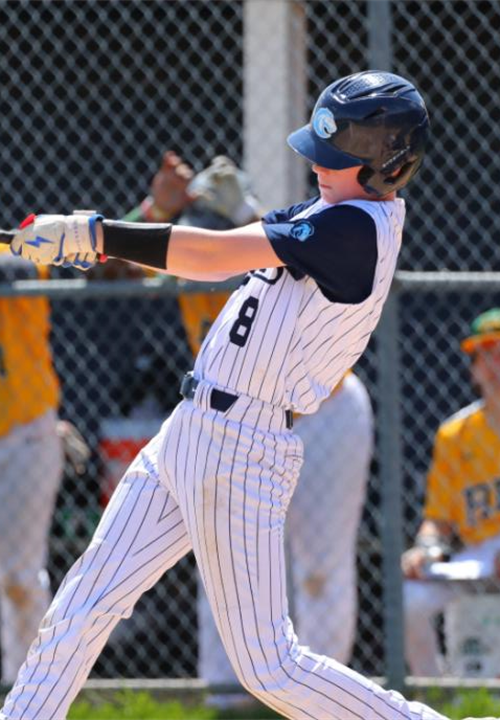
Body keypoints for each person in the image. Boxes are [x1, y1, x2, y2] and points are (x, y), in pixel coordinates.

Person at [2, 70, 445, 720]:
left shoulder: (359, 230)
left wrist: (97, 236)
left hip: (244, 446)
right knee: (83, 603)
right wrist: (100, 237)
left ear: (389, 166)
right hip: (189, 428)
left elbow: (211, 256)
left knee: (270, 667)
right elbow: (236, 238)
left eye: (337, 156)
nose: (318, 165)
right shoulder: (324, 212)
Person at [127, 151, 374, 699]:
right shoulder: (191, 251)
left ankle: (321, 704)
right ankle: (227, 699)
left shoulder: (277, 242)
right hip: (232, 422)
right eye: (202, 229)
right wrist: (157, 210)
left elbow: (299, 250)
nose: (211, 239)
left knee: (320, 568)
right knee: (220, 559)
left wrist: (248, 212)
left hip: (323, 413)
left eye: (221, 229)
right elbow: (116, 264)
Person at [0, 249, 88, 686]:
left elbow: (20, 268)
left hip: (25, 431)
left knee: (19, 577)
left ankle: (30, 693)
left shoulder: (15, 253)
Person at [402, 308, 500, 677]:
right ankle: (434, 693)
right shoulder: (455, 435)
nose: (496, 365)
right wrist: (425, 549)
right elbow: (438, 520)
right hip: (477, 555)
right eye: (487, 353)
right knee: (411, 600)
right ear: (474, 370)